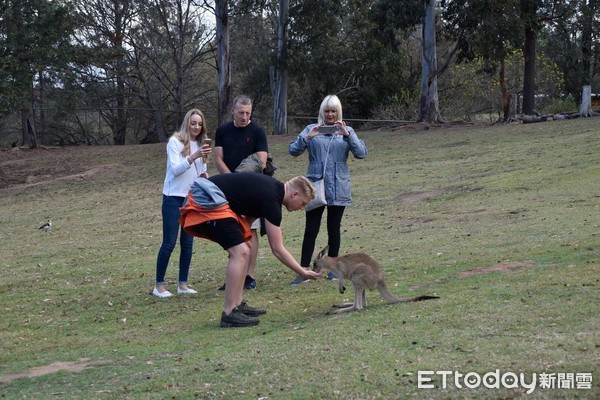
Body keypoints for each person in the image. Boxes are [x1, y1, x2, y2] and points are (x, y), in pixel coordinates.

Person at [179, 173, 323, 327]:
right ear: (295, 194)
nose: (301, 208)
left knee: (245, 247)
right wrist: (302, 271)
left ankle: (238, 304)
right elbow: (277, 249)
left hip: (210, 197)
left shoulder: (272, 190)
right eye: (302, 203)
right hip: (204, 198)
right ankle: (229, 313)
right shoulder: (272, 200)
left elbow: (246, 223)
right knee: (240, 251)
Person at [288, 94, 368, 284]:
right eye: (327, 111)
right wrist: (308, 138)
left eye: (333, 111)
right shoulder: (311, 129)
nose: (330, 115)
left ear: (338, 112)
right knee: (311, 229)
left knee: (334, 229)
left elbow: (361, 153)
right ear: (322, 112)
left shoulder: (346, 131)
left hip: (338, 186)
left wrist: (347, 135)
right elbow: (293, 150)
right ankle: (303, 270)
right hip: (314, 188)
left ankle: (334, 270)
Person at [153, 109, 212, 298]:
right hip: (173, 198)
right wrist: (194, 156)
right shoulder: (174, 142)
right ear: (187, 123)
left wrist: (204, 174)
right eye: (193, 123)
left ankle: (183, 284)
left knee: (187, 242)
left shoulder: (202, 145)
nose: (196, 127)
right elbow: (176, 170)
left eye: (199, 124)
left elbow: (201, 170)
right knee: (169, 242)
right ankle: (159, 285)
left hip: (191, 198)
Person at [214, 95, 269, 290]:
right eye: (241, 113)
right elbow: (218, 159)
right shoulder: (222, 131)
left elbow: (262, 161)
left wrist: (241, 182)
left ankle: (249, 276)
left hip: (251, 189)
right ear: (233, 112)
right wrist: (231, 181)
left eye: (248, 113)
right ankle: (235, 275)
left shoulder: (257, 131)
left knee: (250, 229)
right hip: (228, 189)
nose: (244, 116)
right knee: (233, 230)